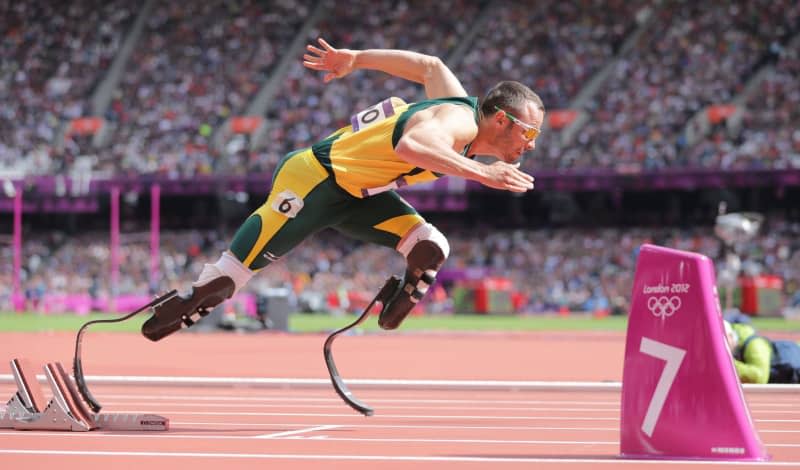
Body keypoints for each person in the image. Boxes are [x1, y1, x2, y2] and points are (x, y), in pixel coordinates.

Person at [141, 37, 544, 341]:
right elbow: (413, 146)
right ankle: (190, 298)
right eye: (528, 131)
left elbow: (428, 65)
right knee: (233, 275)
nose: (531, 143)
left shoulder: (457, 105)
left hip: (359, 194)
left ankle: (397, 298)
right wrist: (481, 172)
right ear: (501, 121)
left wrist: (357, 59)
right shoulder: (461, 122)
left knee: (430, 243)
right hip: (316, 179)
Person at [724, 320, 800, 384]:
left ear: (731, 336)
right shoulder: (737, 346)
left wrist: (727, 363)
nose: (723, 345)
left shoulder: (755, 344)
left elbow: (760, 377)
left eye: (724, 340)